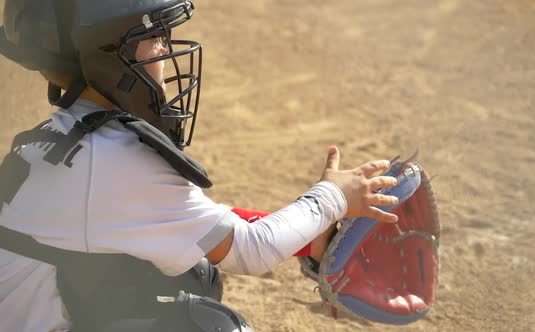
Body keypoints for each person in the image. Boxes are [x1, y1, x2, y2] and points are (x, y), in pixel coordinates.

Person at [0, 1, 399, 331]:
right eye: (151, 35)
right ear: (104, 53)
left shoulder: (59, 141)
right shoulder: (114, 157)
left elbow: (179, 222)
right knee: (209, 324)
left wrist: (307, 240)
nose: (164, 47)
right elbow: (251, 250)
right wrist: (334, 197)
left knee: (189, 272)